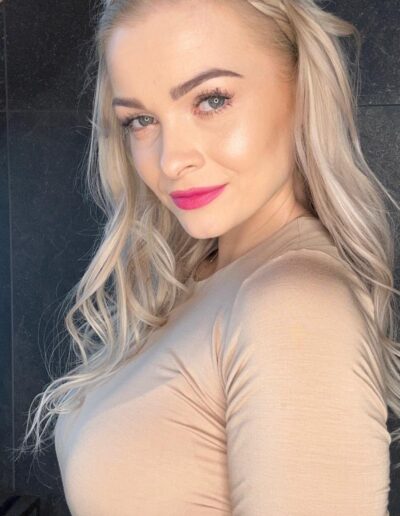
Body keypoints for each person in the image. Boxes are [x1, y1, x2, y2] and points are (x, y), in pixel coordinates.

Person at [15, 1, 400, 514]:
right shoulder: (213, 275)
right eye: (140, 120)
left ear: (301, 89)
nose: (171, 160)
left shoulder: (294, 304)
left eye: (211, 100)